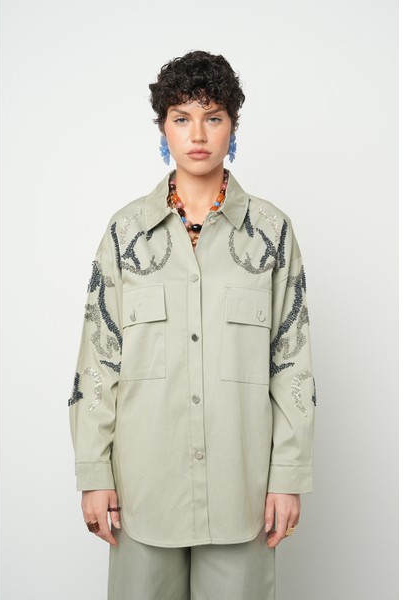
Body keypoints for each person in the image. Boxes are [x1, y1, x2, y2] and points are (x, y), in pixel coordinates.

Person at [68, 50, 316, 600]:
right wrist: (94, 472)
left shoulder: (272, 233)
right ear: (163, 128)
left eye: (213, 117)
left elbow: (292, 361)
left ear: (233, 125)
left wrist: (288, 475)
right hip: (142, 492)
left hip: (243, 493)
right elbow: (97, 360)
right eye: (182, 118)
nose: (198, 134)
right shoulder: (125, 234)